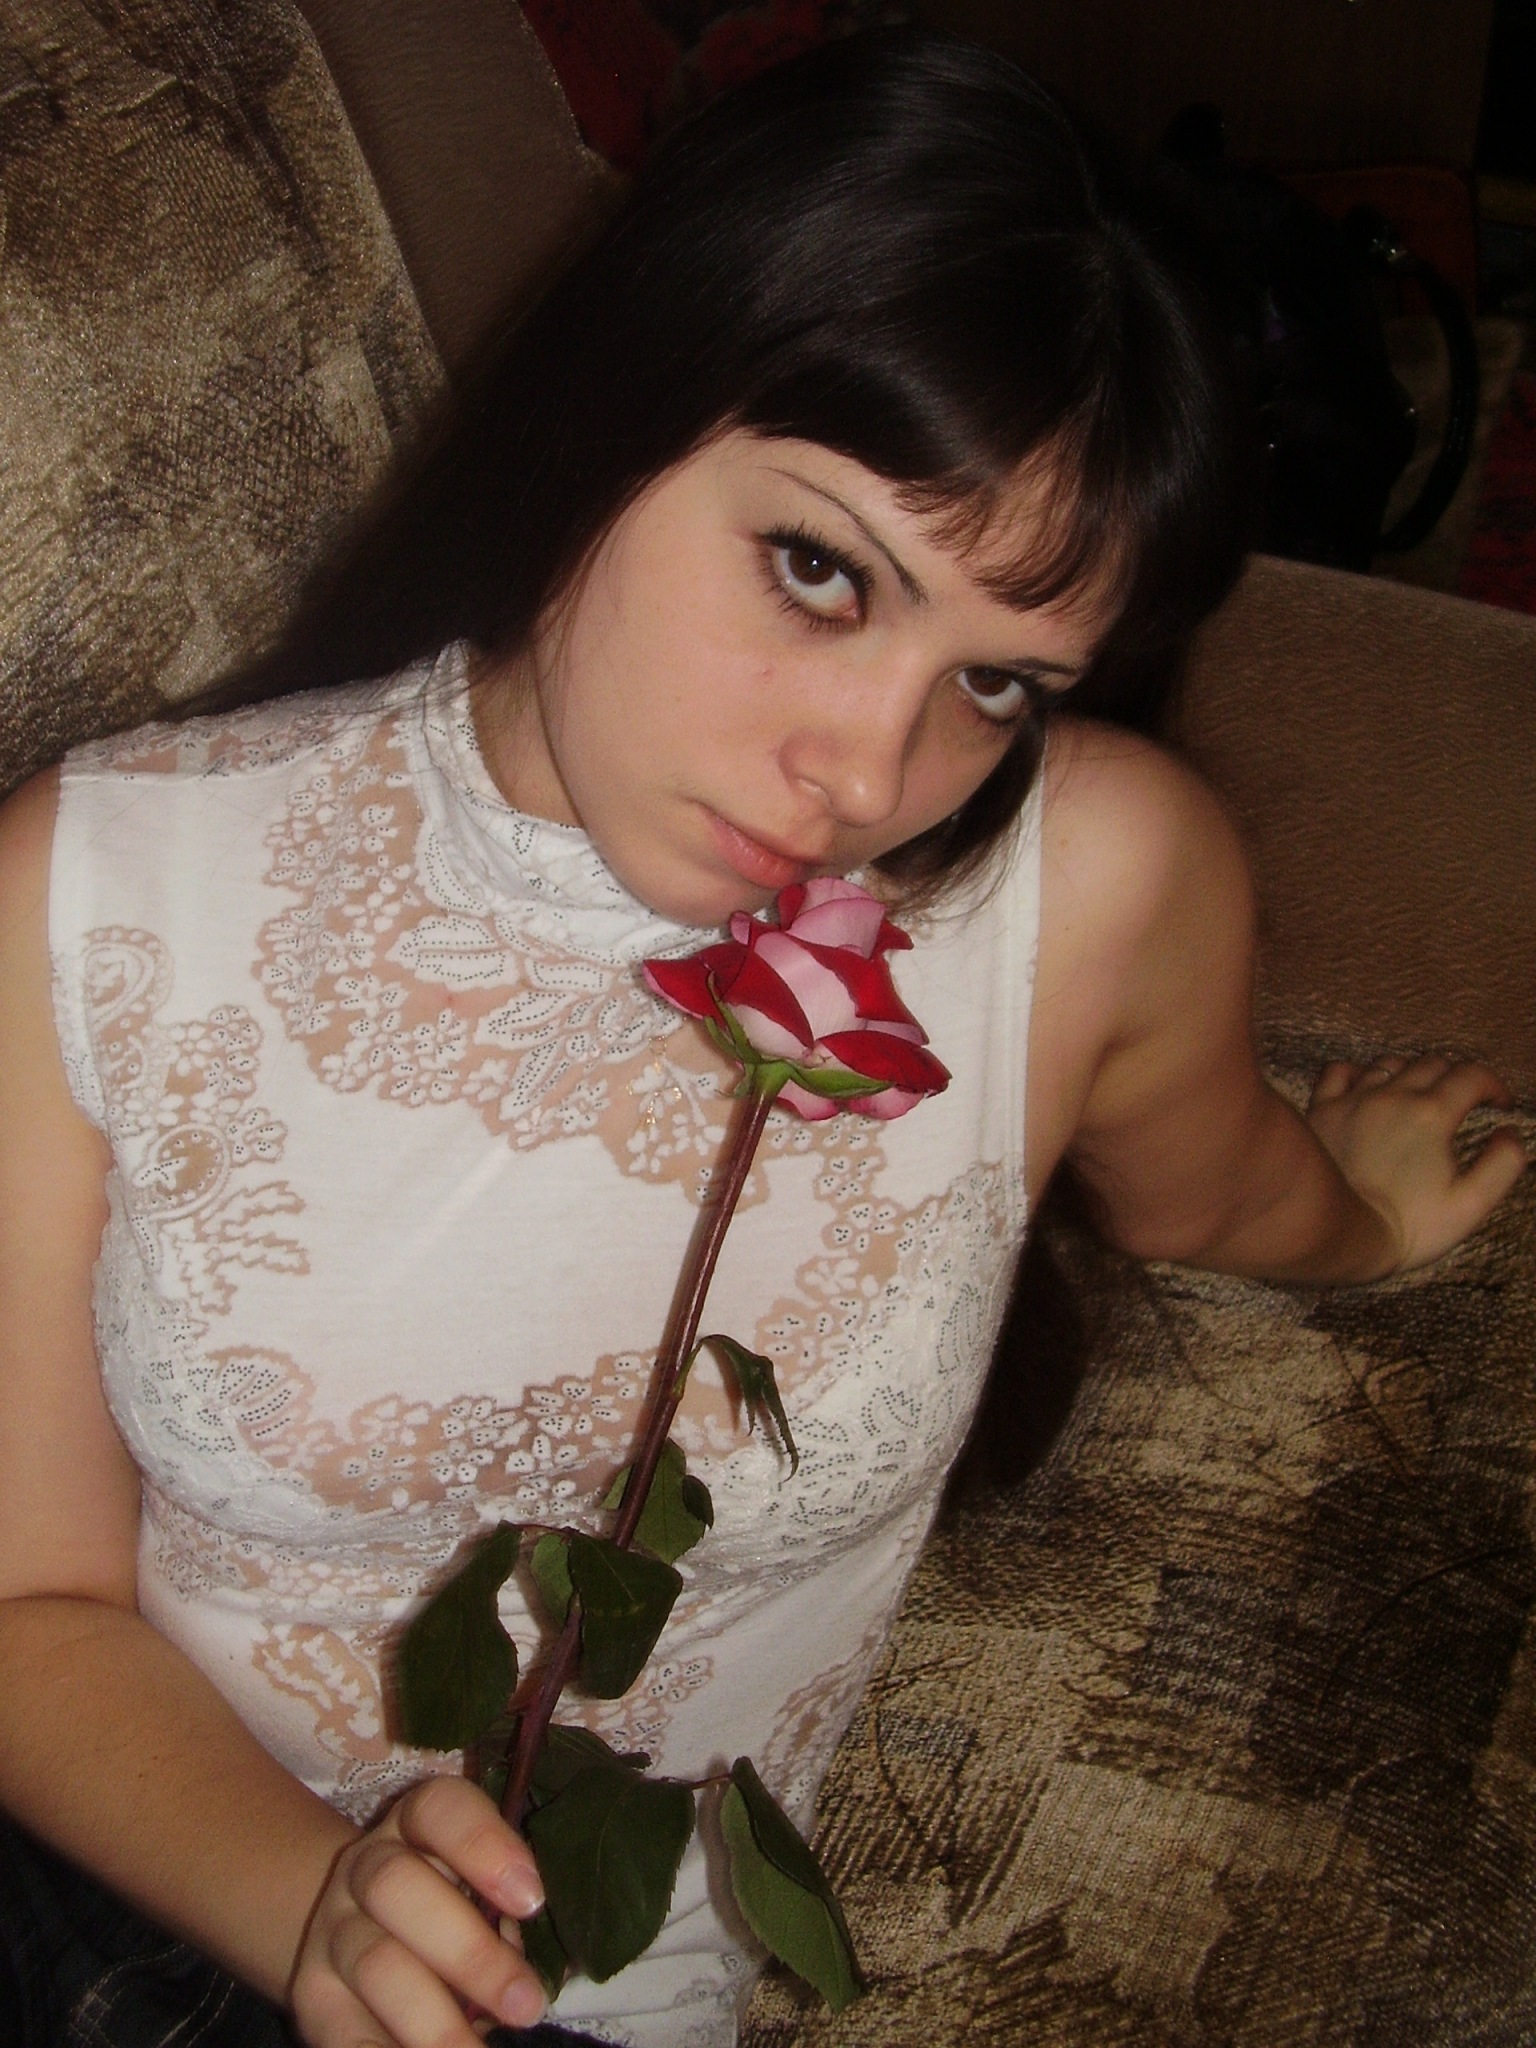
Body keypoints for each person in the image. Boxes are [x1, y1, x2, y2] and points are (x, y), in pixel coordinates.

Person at [0, 29, 1524, 2048]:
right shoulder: (100, 890)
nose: (870, 774)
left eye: (998, 681)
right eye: (819, 571)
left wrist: (1366, 1216)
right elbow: (29, 1605)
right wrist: (314, 1904)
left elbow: (1204, 1189)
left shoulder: (1091, 886)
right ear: (619, 406)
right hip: (126, 1888)